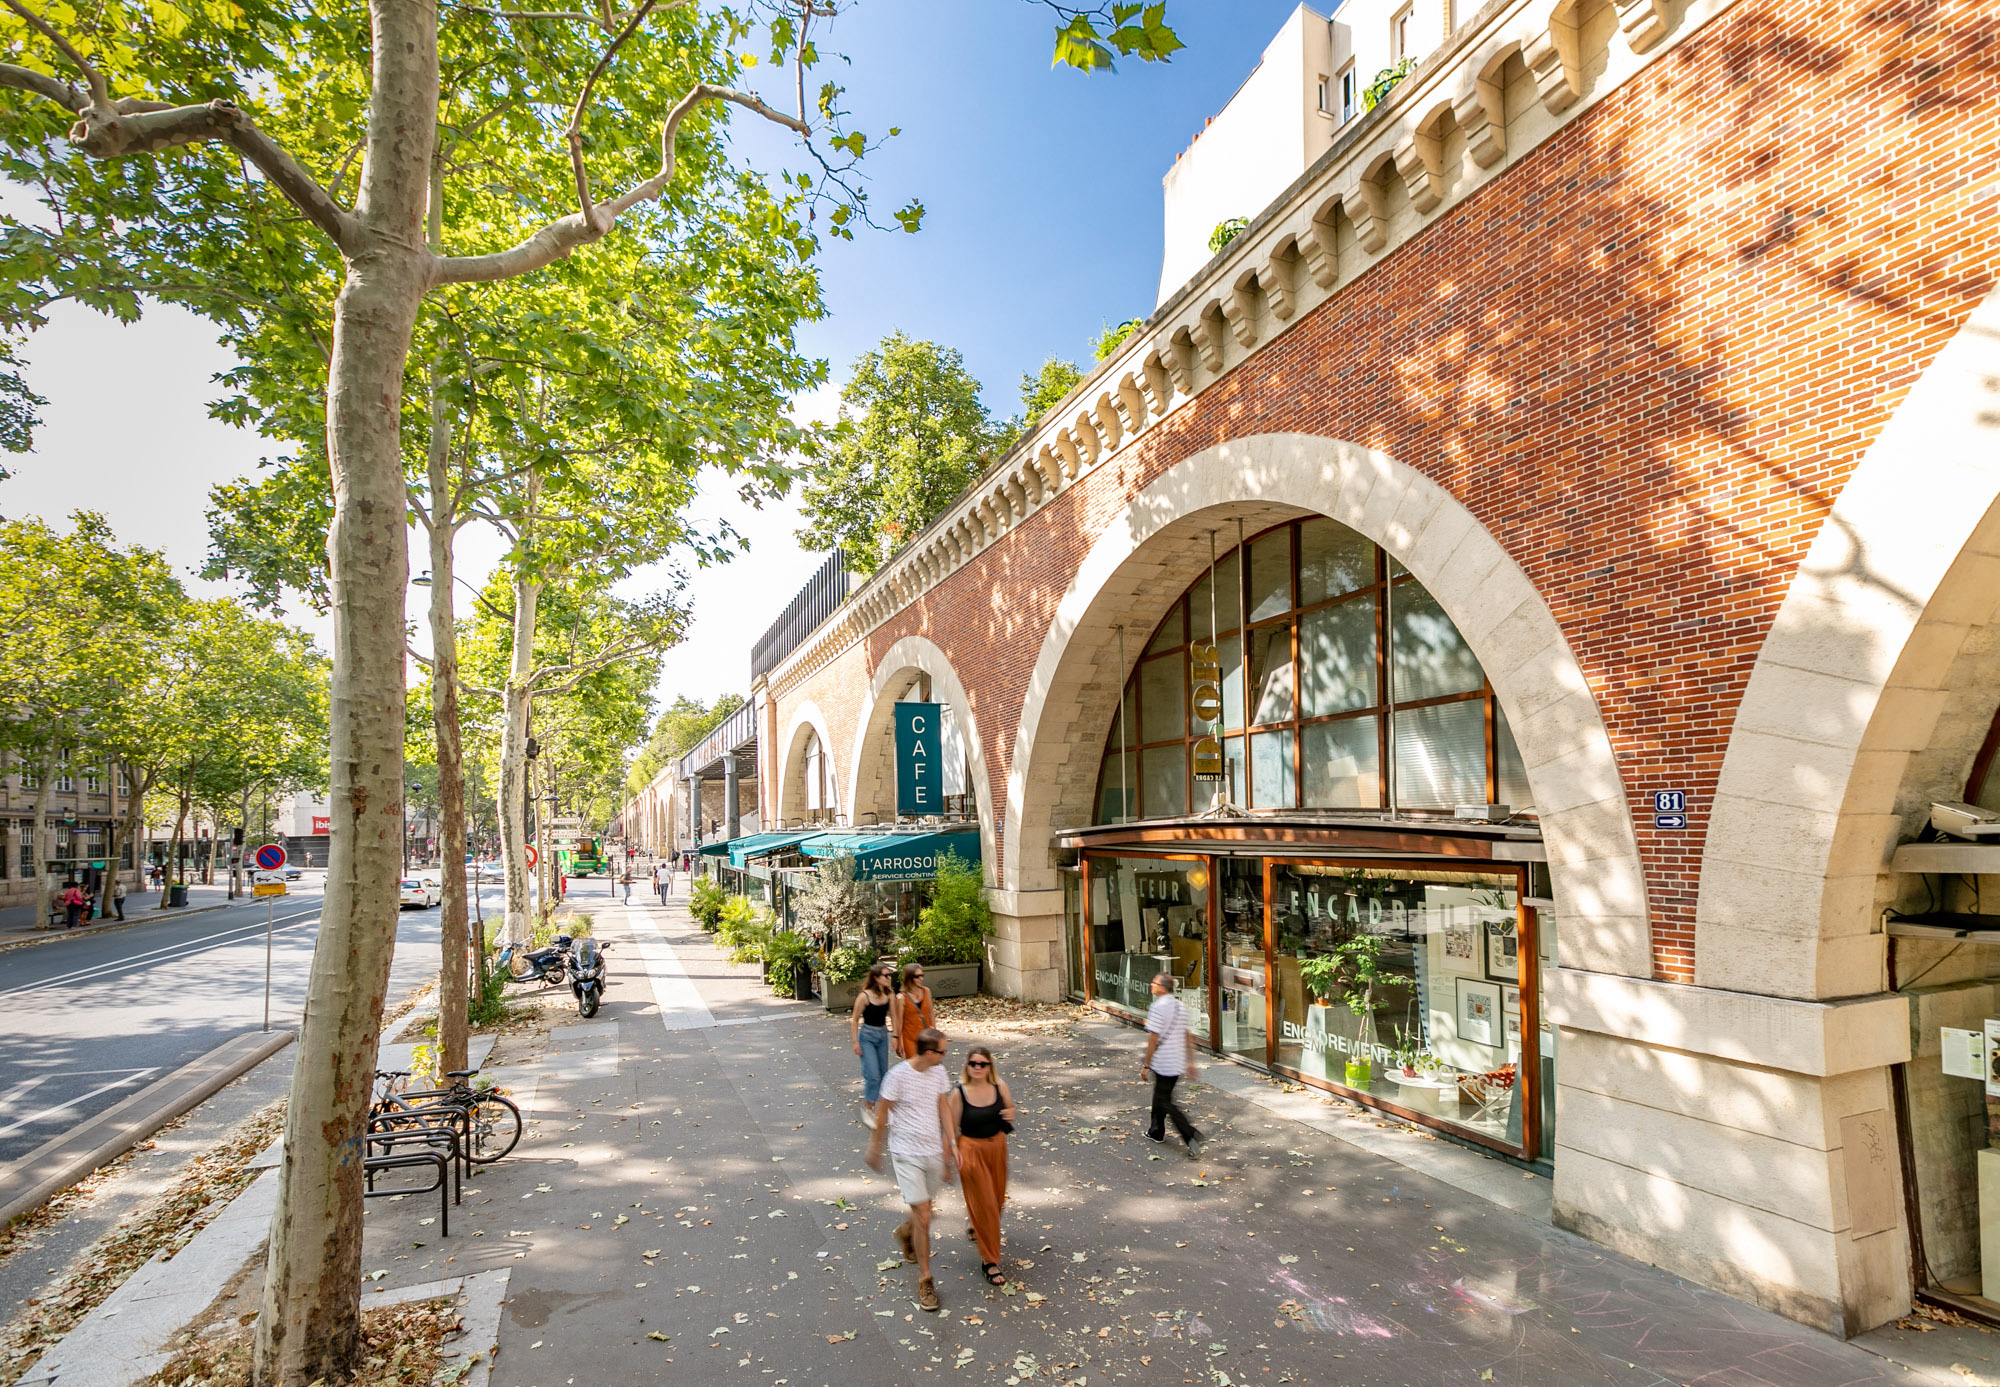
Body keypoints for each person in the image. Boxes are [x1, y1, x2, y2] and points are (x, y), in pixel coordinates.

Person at [866, 1026, 954, 1313]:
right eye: (942, 1050)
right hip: (906, 1153)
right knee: (924, 1214)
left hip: (932, 1152)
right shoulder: (898, 1077)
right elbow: (882, 1112)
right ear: (930, 1053)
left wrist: (951, 1144)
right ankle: (926, 1280)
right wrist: (875, 1148)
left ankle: (906, 1232)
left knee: (922, 1214)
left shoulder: (939, 1073)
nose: (945, 1054)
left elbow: (943, 1107)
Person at [949, 1044, 1014, 1286]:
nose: (977, 1067)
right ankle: (990, 1261)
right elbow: (950, 1127)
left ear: (989, 1067)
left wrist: (1010, 1114)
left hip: (996, 1148)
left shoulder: (1000, 1086)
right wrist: (949, 1158)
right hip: (971, 1151)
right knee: (986, 1204)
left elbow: (1010, 1109)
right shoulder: (959, 1093)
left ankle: (976, 1225)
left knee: (995, 1202)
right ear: (967, 1066)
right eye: (973, 1063)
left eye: (982, 1064)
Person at [1142, 973, 1203, 1158]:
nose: (1151, 985)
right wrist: (1191, 1061)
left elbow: (1153, 1038)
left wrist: (1146, 1064)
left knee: (1165, 1101)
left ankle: (1190, 1135)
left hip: (1163, 1062)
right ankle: (1156, 1131)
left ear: (1162, 987)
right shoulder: (1180, 1006)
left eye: (1154, 983)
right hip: (1177, 1062)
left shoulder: (1157, 1007)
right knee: (1161, 1095)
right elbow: (1187, 1035)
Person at [851, 961, 896, 1128]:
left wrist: (895, 1036)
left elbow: (894, 1016)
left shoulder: (889, 994)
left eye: (889, 975)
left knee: (884, 1075)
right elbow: (855, 1019)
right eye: (886, 975)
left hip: (882, 1034)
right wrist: (855, 1042)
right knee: (873, 1075)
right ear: (877, 978)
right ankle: (868, 1107)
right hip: (867, 1036)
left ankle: (883, 1110)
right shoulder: (864, 996)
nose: (889, 978)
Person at [894, 963, 936, 1061]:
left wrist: (935, 1032)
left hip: (927, 1038)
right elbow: (899, 1022)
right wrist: (899, 1042)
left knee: (929, 1069)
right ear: (909, 978)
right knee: (915, 1070)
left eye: (922, 976)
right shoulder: (901, 998)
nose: (921, 979)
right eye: (917, 976)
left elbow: (930, 1013)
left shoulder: (926, 991)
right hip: (910, 1040)